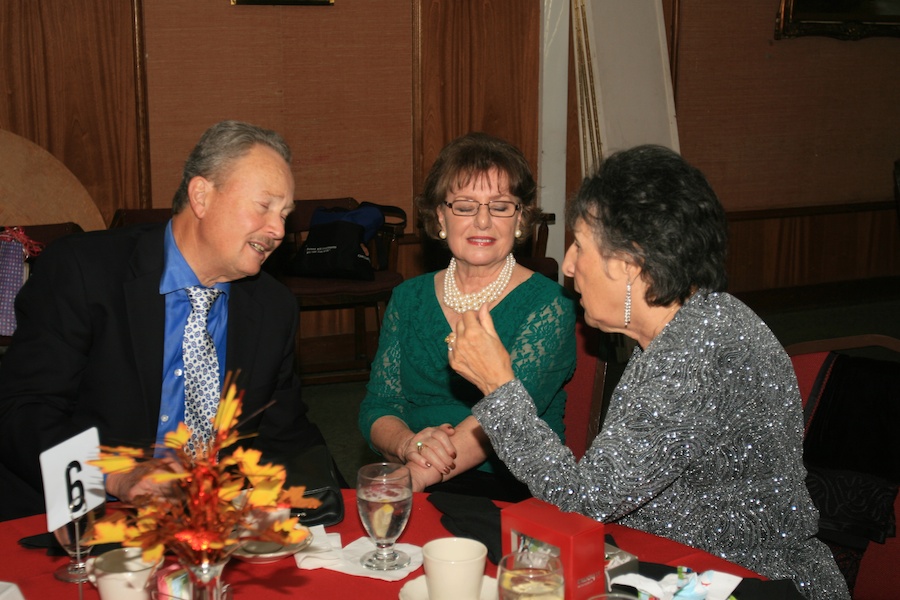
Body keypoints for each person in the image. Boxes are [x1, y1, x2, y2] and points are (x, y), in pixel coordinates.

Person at [448, 145, 850, 599]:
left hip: (741, 581)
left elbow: (584, 501)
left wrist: (499, 387)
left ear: (630, 265)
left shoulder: (694, 354)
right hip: (676, 567)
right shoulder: (696, 321)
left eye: (580, 245)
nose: (570, 266)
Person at [0, 120, 337, 520]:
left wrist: (348, 499)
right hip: (82, 515)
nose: (278, 230)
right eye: (264, 206)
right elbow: (24, 409)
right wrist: (116, 476)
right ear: (201, 195)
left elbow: (284, 432)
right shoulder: (84, 271)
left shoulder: (272, 306)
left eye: (285, 214)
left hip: (208, 522)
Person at [358, 132, 576, 501]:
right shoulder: (408, 297)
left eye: (500, 205)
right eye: (465, 205)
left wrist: (412, 477)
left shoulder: (549, 304)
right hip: (415, 469)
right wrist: (408, 442)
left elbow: (506, 417)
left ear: (520, 219)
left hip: (507, 485)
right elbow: (379, 405)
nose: (483, 221)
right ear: (440, 216)